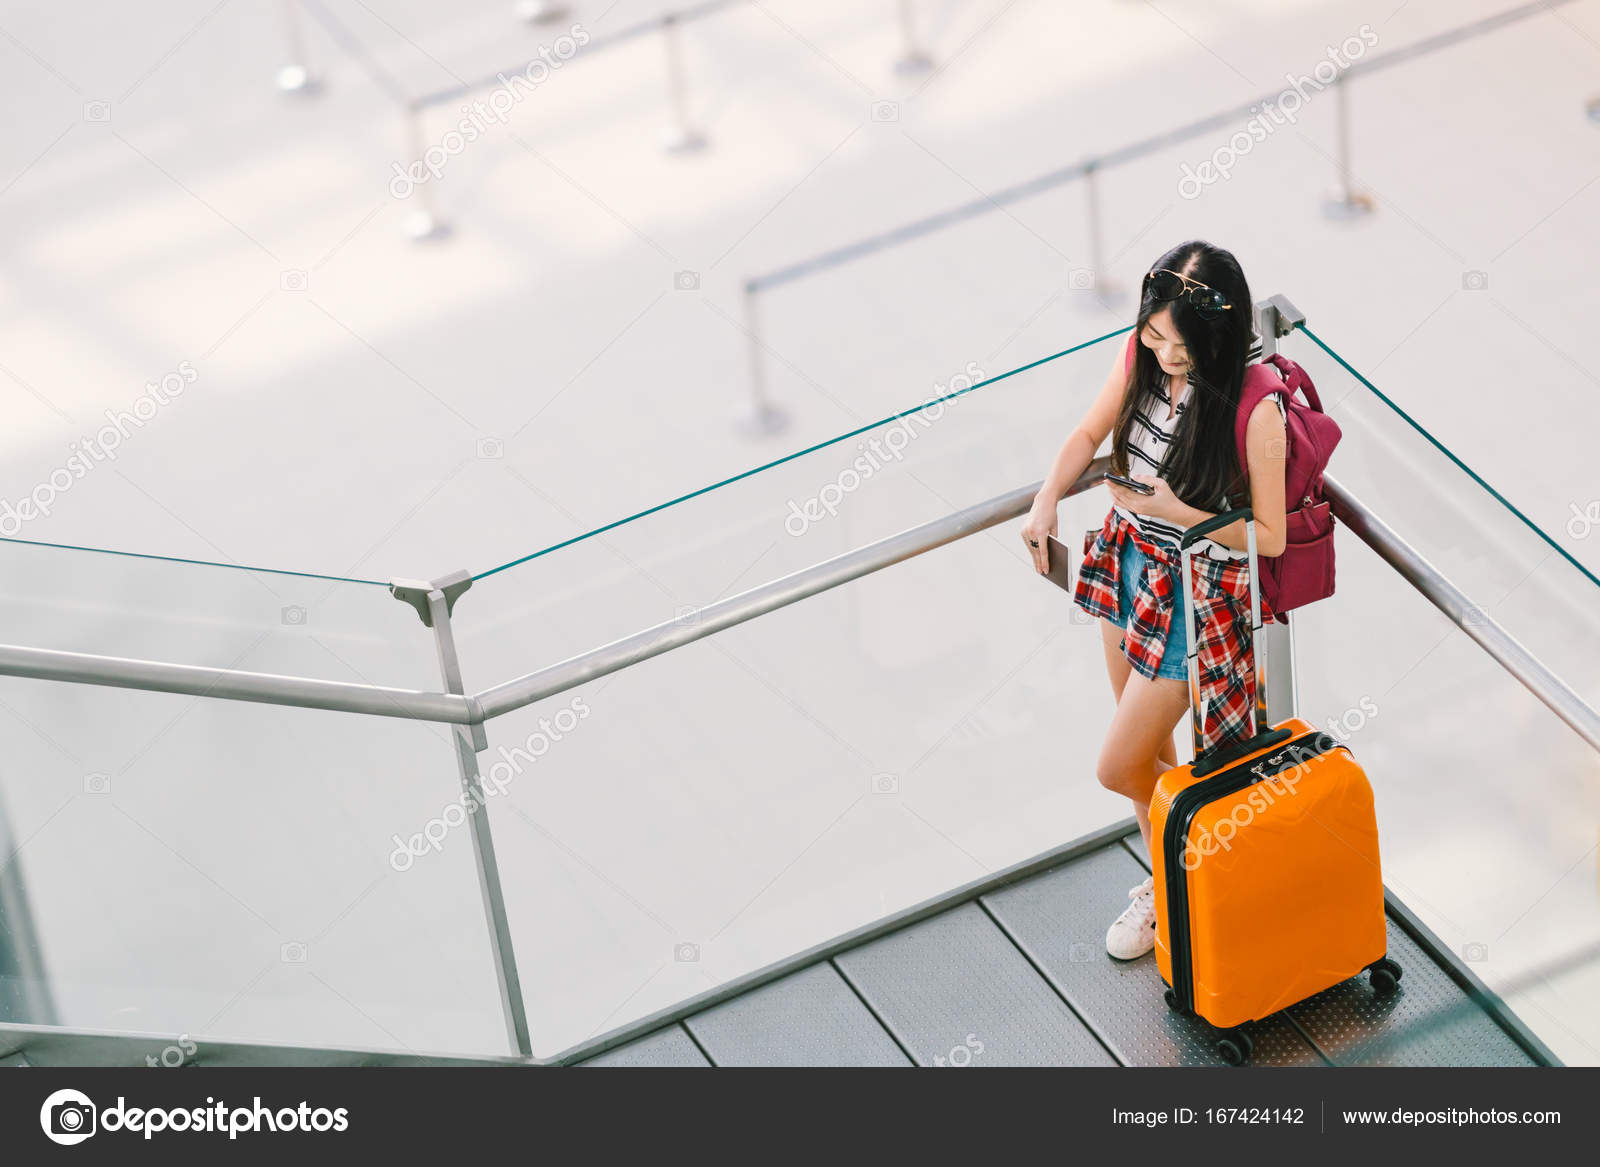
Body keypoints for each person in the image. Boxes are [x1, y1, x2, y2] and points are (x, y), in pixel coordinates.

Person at [1019, 240, 1288, 960]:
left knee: (1120, 765)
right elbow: (1088, 431)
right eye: (1153, 332)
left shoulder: (1253, 405)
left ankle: (1215, 860)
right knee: (1150, 756)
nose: (1162, 350)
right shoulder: (1140, 355)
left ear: (1215, 337)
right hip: (1123, 563)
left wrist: (1175, 508)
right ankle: (1172, 892)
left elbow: (1269, 537)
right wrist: (1047, 501)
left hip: (1190, 590)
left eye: (1180, 341)